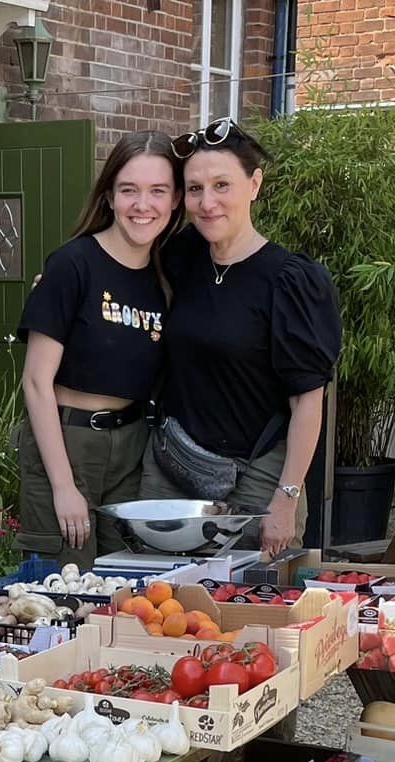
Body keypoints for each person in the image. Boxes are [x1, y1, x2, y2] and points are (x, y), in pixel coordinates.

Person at [143, 118, 341, 560]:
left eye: (221, 185)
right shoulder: (181, 257)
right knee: (154, 607)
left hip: (258, 475)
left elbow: (308, 401)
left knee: (248, 615)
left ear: (254, 184)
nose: (207, 202)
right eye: (195, 189)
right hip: (172, 465)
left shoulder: (290, 281)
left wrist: (285, 499)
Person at [14, 132, 181, 565]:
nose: (142, 205)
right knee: (63, 588)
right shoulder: (72, 264)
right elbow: (35, 382)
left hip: (132, 446)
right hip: (69, 442)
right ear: (109, 196)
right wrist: (63, 485)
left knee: (124, 588)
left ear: (176, 199)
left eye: (157, 191)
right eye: (129, 190)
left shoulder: (167, 278)